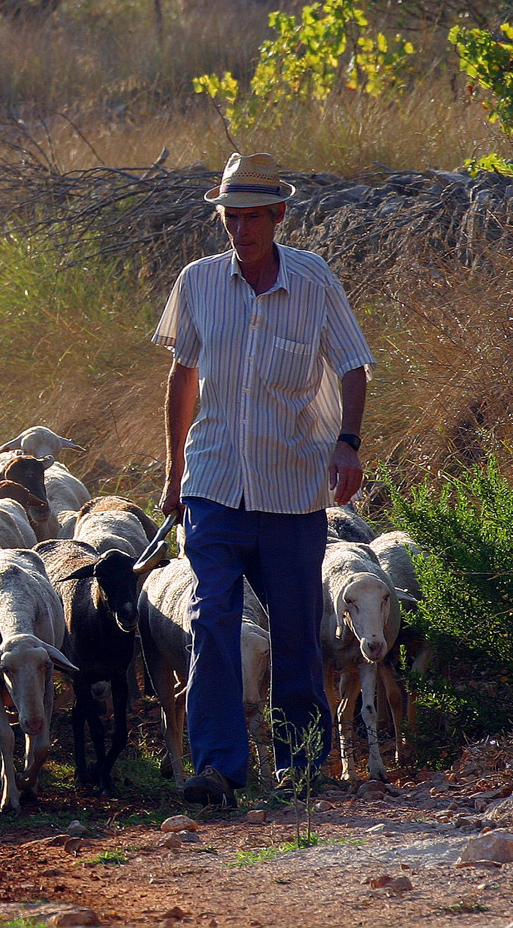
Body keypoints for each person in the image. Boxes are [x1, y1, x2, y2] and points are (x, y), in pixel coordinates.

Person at [150, 152, 376, 807]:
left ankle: (300, 763)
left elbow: (355, 366)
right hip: (214, 482)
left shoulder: (313, 281)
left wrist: (348, 444)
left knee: (297, 628)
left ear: (279, 215)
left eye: (253, 217)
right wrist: (174, 474)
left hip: (291, 487)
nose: (242, 230)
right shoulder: (196, 283)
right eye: (231, 217)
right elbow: (182, 378)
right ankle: (217, 766)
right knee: (211, 613)